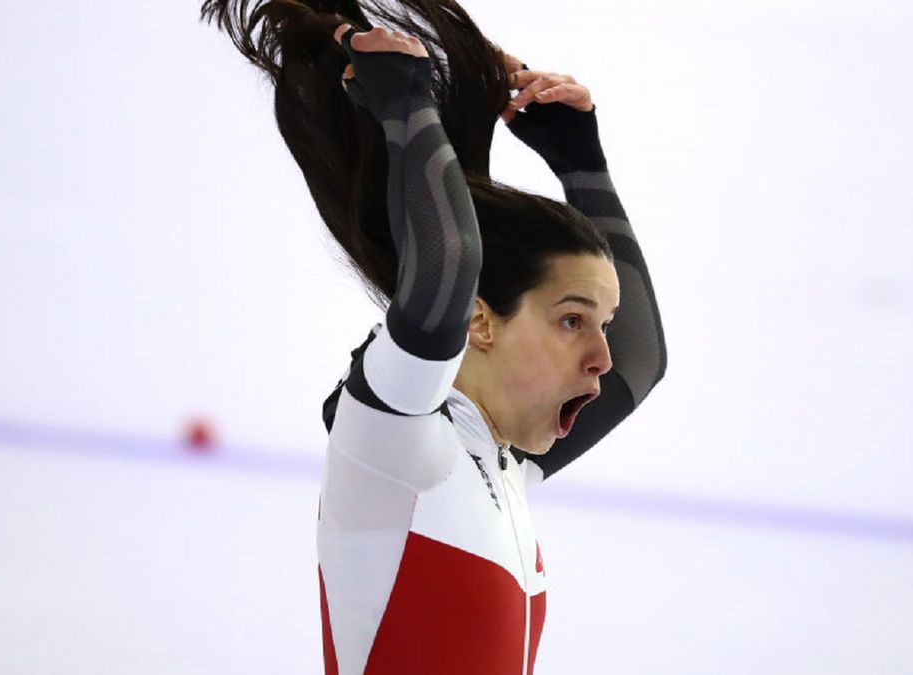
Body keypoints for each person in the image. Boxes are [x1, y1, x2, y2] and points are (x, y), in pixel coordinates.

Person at [201, 2, 665, 672]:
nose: (603, 358)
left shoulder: (501, 463)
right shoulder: (399, 442)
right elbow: (447, 266)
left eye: (600, 321)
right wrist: (408, 111)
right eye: (572, 319)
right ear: (479, 320)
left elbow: (643, 361)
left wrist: (581, 163)